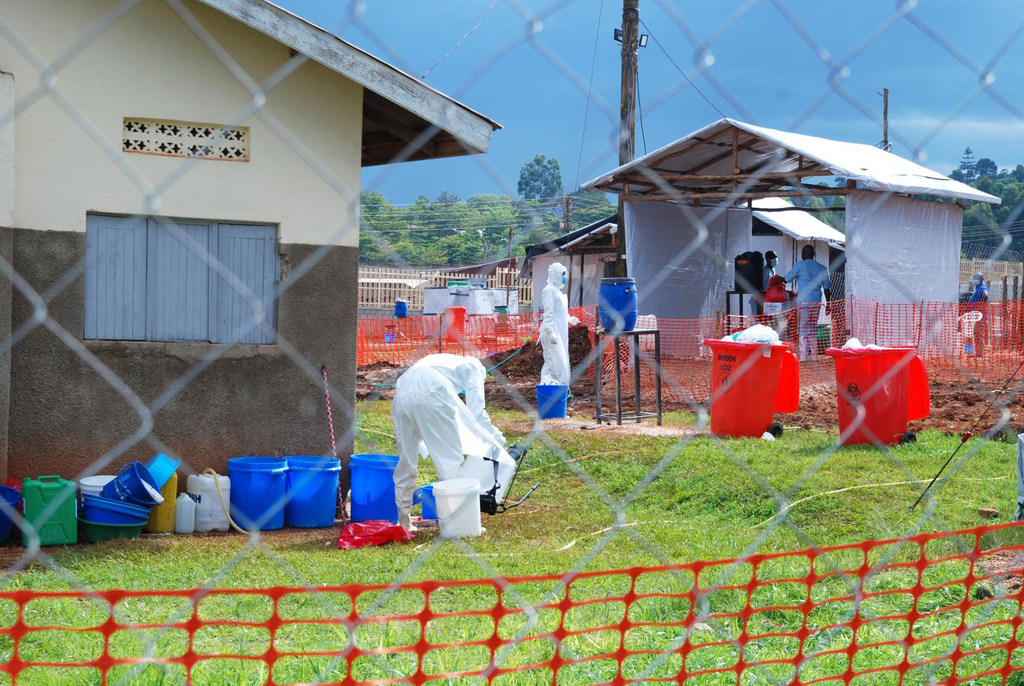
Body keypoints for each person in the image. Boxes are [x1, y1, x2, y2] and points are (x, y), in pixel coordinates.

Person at [391, 354, 508, 530]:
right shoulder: (476, 368)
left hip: (403, 392)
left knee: (406, 460)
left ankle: (404, 521)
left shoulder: (444, 361)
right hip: (431, 392)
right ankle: (463, 523)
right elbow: (477, 412)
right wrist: (497, 439)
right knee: (449, 461)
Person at [781, 244, 831, 360]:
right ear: (813, 255)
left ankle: (803, 357)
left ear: (803, 255)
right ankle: (813, 357)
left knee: (803, 329)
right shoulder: (822, 268)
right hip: (816, 302)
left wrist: (779, 279)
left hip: (803, 303)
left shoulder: (800, 265)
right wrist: (828, 304)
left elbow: (786, 279)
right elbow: (827, 289)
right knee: (813, 328)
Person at [539, 262, 572, 386]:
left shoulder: (558, 292)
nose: (564, 277)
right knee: (552, 362)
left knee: (561, 362)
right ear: (555, 275)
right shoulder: (549, 291)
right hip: (552, 333)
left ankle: (561, 388)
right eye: (562, 274)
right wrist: (550, 331)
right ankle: (548, 389)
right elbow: (548, 314)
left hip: (561, 332)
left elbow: (559, 312)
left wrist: (569, 318)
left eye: (565, 274)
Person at [967, 271, 989, 355]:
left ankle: (979, 353)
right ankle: (977, 352)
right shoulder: (977, 288)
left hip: (979, 315)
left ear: (981, 280)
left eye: (977, 278)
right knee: (976, 333)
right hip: (975, 314)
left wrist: (980, 305)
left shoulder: (983, 287)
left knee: (979, 333)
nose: (975, 280)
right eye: (974, 278)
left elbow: (985, 295)